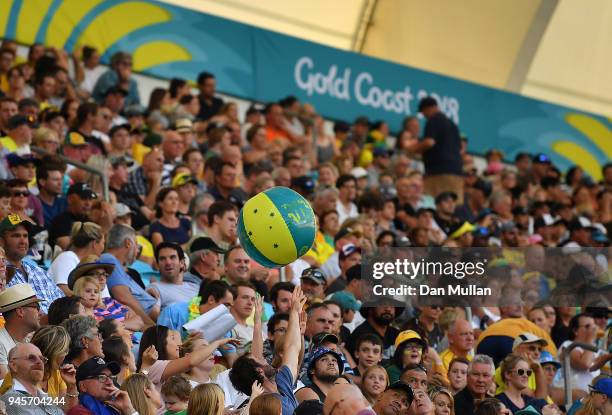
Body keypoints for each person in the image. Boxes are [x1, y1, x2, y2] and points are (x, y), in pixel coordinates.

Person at [229, 286, 305, 415]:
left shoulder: (281, 383)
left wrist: (294, 312)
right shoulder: (261, 407)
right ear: (259, 371)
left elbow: (292, 347)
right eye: (260, 359)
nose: (264, 358)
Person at [136, 327, 236, 391]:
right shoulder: (155, 365)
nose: (179, 345)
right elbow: (191, 361)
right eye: (172, 338)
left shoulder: (167, 368)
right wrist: (217, 343)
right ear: (160, 344)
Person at [1, 214, 64, 314]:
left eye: (25, 236)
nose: (23, 241)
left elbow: (62, 303)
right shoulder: (2, 273)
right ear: (1, 241)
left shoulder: (40, 271)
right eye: (16, 236)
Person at [101, 224, 158, 326]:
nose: (137, 251)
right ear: (128, 243)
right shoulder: (108, 259)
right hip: (153, 320)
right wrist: (152, 326)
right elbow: (123, 297)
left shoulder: (117, 264)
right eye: (136, 245)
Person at [414, 97, 463, 203]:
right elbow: (460, 149)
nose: (424, 116)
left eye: (423, 112)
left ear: (427, 108)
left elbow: (429, 142)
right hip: (456, 173)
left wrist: (412, 149)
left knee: (434, 203)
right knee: (455, 206)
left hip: (438, 173)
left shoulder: (433, 121)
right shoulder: (452, 124)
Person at [0, 343, 64, 415]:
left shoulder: (43, 397)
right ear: (14, 365)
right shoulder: (10, 398)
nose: (39, 362)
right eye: (31, 358)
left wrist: (72, 387)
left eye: (42, 359)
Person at [49, 221, 106, 296]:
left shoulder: (96, 265)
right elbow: (63, 290)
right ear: (94, 244)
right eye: (103, 243)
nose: (104, 248)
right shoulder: (67, 258)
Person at [67, 356, 137, 415]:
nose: (109, 382)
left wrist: (129, 409)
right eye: (101, 377)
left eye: (111, 377)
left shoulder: (113, 408)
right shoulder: (79, 412)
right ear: (83, 386)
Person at [0, 284, 42, 379]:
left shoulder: (29, 342)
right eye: (36, 307)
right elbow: (6, 386)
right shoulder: (0, 342)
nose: (40, 312)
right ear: (20, 312)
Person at [147, 242, 198, 309]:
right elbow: (155, 317)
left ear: (182, 263)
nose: (168, 262)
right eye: (162, 259)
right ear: (157, 265)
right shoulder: (154, 289)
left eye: (172, 257)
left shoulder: (195, 287)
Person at [48, 183, 97, 250]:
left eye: (90, 199)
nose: (88, 203)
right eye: (83, 198)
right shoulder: (61, 221)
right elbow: (67, 247)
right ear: (70, 199)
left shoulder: (90, 221)